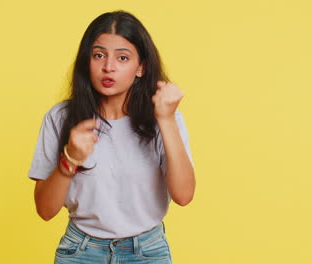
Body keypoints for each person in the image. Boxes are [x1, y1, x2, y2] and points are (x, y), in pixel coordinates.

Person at [28, 10, 195, 264]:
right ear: (87, 61)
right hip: (81, 251)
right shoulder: (61, 118)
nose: (108, 67)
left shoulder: (166, 118)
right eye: (99, 55)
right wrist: (69, 159)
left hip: (147, 252)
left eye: (123, 57)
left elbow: (184, 196)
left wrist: (166, 120)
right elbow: (45, 210)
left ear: (141, 67)